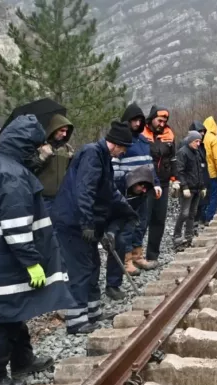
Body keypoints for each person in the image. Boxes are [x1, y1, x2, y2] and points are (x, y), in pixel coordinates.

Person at [0, 115, 75, 385]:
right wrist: (32, 263)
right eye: (36, 147)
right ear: (25, 146)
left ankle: (22, 360)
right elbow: (17, 228)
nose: (39, 151)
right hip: (6, 260)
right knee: (6, 317)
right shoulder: (13, 177)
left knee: (16, 308)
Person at [52, 121, 136, 334]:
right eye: (124, 148)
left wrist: (126, 209)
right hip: (72, 222)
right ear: (116, 144)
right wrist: (88, 223)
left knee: (92, 265)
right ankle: (76, 321)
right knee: (80, 269)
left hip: (81, 222)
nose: (124, 152)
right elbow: (85, 190)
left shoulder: (102, 156)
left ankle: (92, 311)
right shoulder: (92, 154)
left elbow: (108, 190)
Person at [111, 102, 160, 277]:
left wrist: (156, 183)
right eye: (134, 120)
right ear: (127, 121)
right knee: (127, 227)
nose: (137, 124)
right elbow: (115, 165)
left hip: (144, 190)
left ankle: (138, 256)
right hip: (128, 192)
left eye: (140, 120)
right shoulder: (122, 141)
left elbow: (150, 165)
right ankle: (127, 260)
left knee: (142, 223)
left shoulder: (144, 141)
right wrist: (121, 186)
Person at [105, 166, 154, 300]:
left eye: (146, 187)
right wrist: (109, 230)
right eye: (141, 186)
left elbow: (132, 219)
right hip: (106, 214)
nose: (143, 190)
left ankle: (113, 284)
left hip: (123, 216)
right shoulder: (117, 184)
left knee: (121, 241)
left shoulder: (141, 194)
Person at [142, 106, 177, 267]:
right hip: (144, 183)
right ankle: (135, 256)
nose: (162, 124)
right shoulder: (142, 133)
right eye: (160, 120)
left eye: (164, 121)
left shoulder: (169, 134)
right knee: (142, 219)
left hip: (163, 183)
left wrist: (175, 178)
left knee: (159, 220)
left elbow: (173, 158)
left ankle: (152, 255)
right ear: (152, 118)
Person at [31, 114, 75, 212]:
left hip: (62, 199)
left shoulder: (68, 149)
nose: (64, 134)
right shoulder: (40, 147)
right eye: (62, 130)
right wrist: (42, 157)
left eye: (66, 131)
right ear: (54, 129)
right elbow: (29, 170)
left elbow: (71, 173)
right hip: (43, 199)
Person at [174, 132, 207, 247]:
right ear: (190, 141)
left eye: (199, 141)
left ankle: (189, 235)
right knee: (184, 213)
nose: (198, 144)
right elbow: (180, 171)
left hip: (196, 188)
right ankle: (177, 236)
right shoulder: (183, 152)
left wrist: (202, 186)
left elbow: (200, 171)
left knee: (192, 213)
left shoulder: (197, 153)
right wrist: (184, 187)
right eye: (196, 141)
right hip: (188, 188)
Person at [202, 117, 217, 224]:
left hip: (203, 172)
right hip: (212, 172)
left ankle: (201, 216)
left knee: (205, 195)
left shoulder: (202, 137)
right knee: (213, 195)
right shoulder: (213, 139)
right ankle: (209, 217)